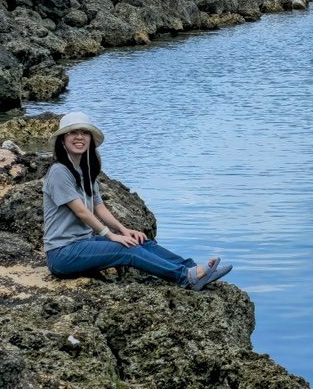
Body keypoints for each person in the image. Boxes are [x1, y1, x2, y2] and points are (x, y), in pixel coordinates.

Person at [43, 110, 232, 290]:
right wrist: (111, 235)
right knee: (126, 249)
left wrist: (124, 230)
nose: (79, 137)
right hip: (63, 254)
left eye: (85, 133)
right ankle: (184, 277)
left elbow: (99, 208)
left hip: (83, 243)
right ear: (63, 139)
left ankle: (193, 268)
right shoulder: (60, 171)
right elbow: (81, 211)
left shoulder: (84, 171)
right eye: (73, 133)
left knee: (139, 242)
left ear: (90, 139)